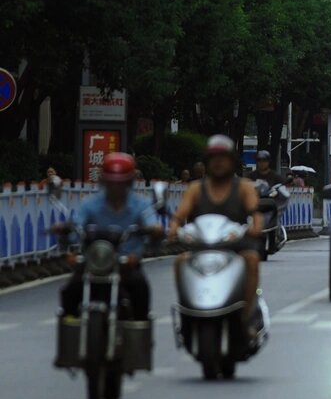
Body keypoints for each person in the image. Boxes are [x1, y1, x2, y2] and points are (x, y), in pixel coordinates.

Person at [59, 152, 163, 322]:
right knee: (70, 292)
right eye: (112, 183)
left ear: (129, 182)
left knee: (141, 290)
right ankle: (69, 336)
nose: (116, 188)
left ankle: (139, 338)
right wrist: (66, 230)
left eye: (121, 183)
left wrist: (155, 229)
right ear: (104, 182)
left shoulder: (141, 205)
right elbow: (77, 226)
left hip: (126, 265)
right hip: (94, 264)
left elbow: (152, 223)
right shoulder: (90, 204)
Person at [170, 135, 263, 320]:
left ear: (232, 161)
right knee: (180, 261)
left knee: (252, 260)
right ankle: (187, 314)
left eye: (223, 158)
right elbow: (179, 216)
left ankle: (247, 315)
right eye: (214, 158)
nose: (218, 163)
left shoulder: (244, 187)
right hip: (201, 248)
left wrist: (256, 228)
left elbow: (256, 214)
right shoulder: (196, 188)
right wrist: (173, 229)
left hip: (235, 248)